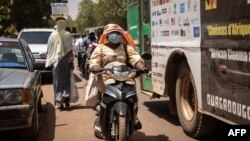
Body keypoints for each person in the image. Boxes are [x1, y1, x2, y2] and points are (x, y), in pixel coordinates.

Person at [89, 23, 146, 138]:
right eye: (112, 33)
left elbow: (135, 58)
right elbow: (94, 60)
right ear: (106, 35)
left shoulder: (126, 47)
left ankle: (134, 115)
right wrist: (95, 67)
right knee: (105, 94)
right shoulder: (100, 48)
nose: (115, 35)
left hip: (125, 74)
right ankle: (101, 118)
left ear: (121, 35)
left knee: (132, 93)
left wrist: (141, 66)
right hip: (106, 74)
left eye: (117, 33)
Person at [45, 17, 74, 109]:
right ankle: (66, 96)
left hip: (55, 61)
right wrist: (71, 61)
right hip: (65, 60)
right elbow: (69, 50)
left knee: (57, 81)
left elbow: (48, 50)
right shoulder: (67, 34)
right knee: (66, 79)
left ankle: (59, 100)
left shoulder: (51, 36)